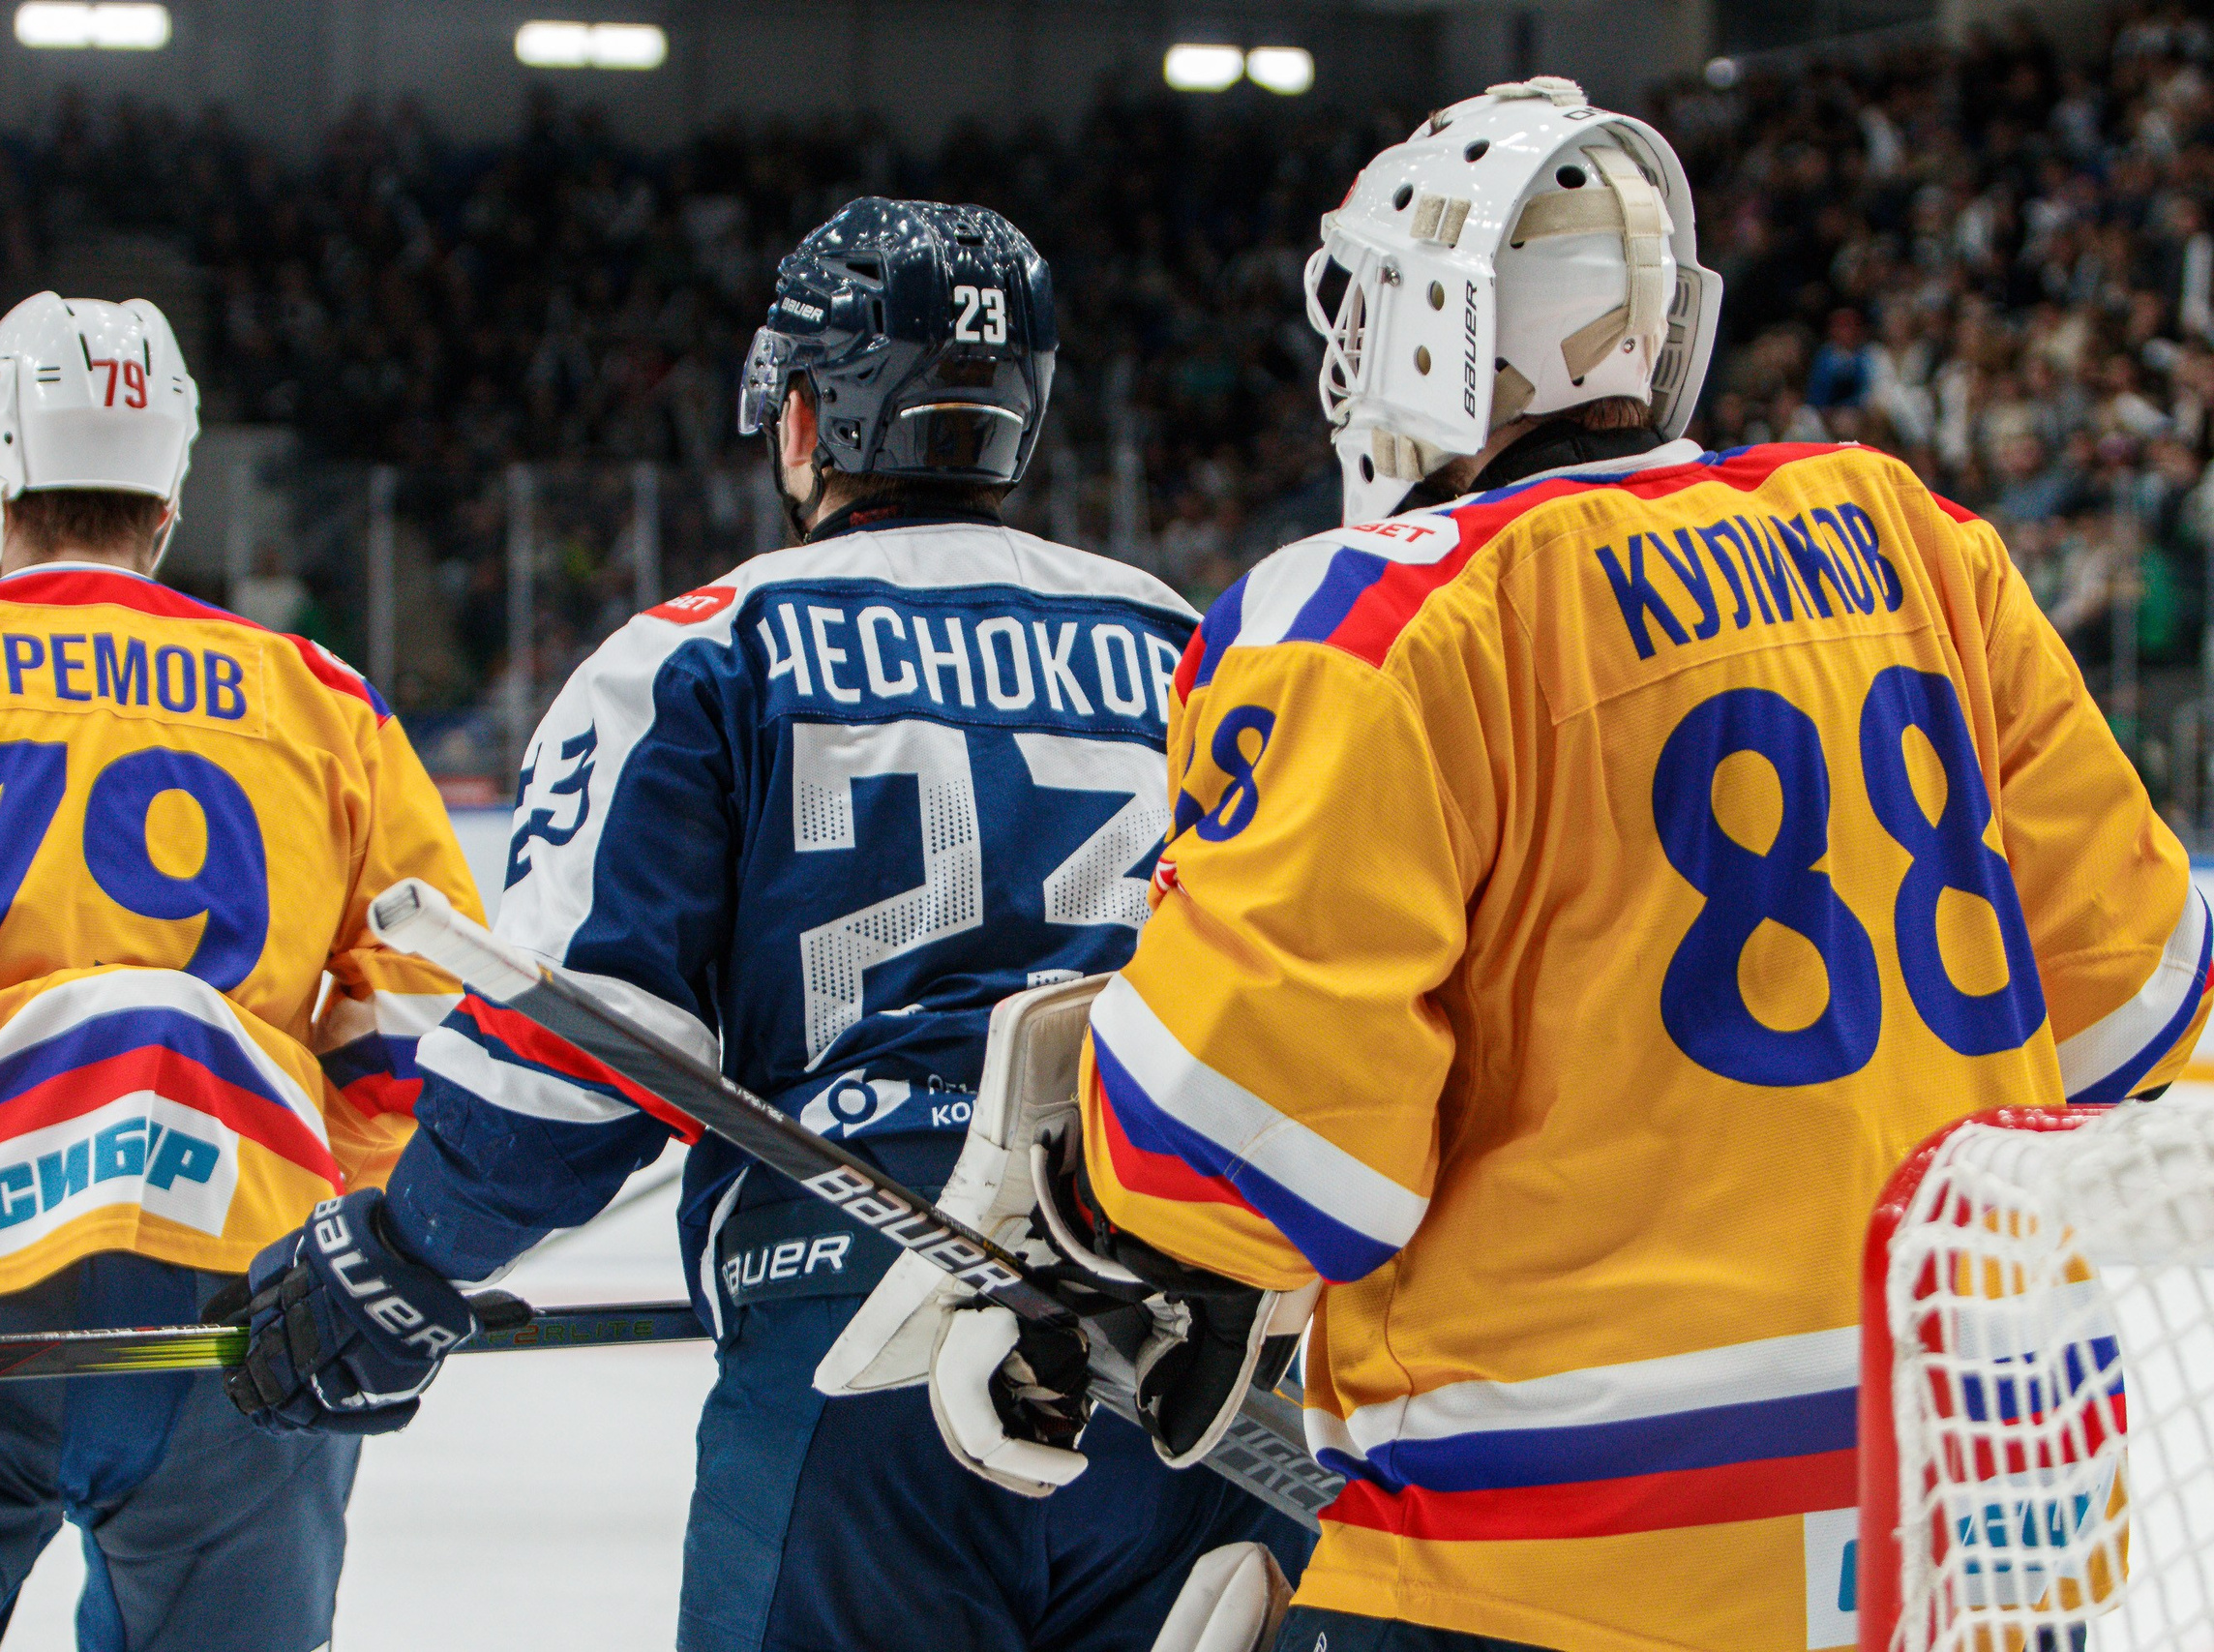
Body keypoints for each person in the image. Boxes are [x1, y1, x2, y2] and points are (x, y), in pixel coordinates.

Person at [926, 78, 2213, 1652]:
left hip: (1582, 1545)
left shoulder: (1378, 619)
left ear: (1423, 329)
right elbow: (2143, 1022)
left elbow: (1247, 1151)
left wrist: (1080, 1227)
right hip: (1994, 1508)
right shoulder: (1918, 535)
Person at [223, 198, 1316, 1650]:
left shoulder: (700, 652)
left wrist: (409, 1256)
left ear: (805, 421)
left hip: (868, 1330)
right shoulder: (1192, 645)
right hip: (1198, 1347)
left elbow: (578, 1056)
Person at [0, 292, 483, 1652]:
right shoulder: (326, 702)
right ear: (171, 491)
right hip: (244, 1299)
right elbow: (423, 1030)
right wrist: (359, 1249)